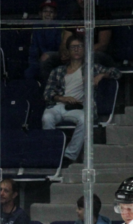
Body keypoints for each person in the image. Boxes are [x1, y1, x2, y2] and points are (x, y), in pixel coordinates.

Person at [42, 36, 121, 166]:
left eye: (80, 46)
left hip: (79, 107)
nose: (77, 50)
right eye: (73, 47)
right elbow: (47, 94)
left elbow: (117, 73)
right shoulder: (58, 71)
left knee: (86, 119)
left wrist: (101, 75)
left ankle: (68, 156)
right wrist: (62, 98)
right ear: (68, 51)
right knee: (46, 118)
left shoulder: (92, 68)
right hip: (59, 106)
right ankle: (52, 154)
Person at [58, 0, 115, 69]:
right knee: (48, 59)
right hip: (75, 53)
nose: (82, 0)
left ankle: (91, 82)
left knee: (93, 57)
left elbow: (103, 45)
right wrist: (64, 52)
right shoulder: (73, 15)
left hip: (98, 54)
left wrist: (80, 53)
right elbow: (65, 42)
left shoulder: (102, 14)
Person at [25, 0, 63, 82]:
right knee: (29, 73)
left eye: (51, 12)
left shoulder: (59, 27)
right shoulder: (36, 27)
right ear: (40, 14)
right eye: (45, 11)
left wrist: (49, 55)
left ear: (55, 14)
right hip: (39, 61)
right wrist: (34, 64)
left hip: (55, 60)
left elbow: (60, 48)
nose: (48, 14)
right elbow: (33, 48)